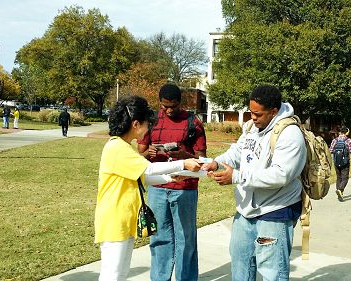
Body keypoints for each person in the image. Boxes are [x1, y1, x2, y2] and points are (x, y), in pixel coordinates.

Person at [202, 85, 307, 281]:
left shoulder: (290, 134)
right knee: (240, 266)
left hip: (275, 212)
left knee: (272, 273)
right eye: (251, 112)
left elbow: (281, 175)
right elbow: (237, 153)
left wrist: (236, 177)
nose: (253, 117)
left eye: (257, 114)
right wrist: (216, 162)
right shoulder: (252, 127)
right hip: (245, 211)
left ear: (274, 111)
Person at [95, 95, 201, 281]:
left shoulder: (124, 146)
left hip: (124, 220)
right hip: (114, 221)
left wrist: (170, 177)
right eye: (146, 123)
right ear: (136, 124)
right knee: (112, 275)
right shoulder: (116, 147)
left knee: (120, 274)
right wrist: (182, 164)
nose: (149, 128)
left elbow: (143, 177)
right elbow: (149, 168)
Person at [137, 83, 207, 281]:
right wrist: (147, 152)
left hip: (185, 188)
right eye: (164, 106)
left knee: (186, 239)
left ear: (180, 103)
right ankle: (160, 278)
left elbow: (202, 159)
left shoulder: (193, 122)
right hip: (157, 187)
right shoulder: (150, 121)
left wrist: (183, 155)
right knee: (159, 238)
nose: (169, 110)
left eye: (173, 106)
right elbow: (140, 154)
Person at [329, 126, 351, 202]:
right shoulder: (348, 140)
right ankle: (340, 190)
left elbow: (330, 150)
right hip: (345, 162)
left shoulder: (335, 140)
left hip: (336, 161)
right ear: (347, 132)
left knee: (339, 177)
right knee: (345, 178)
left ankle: (339, 193)